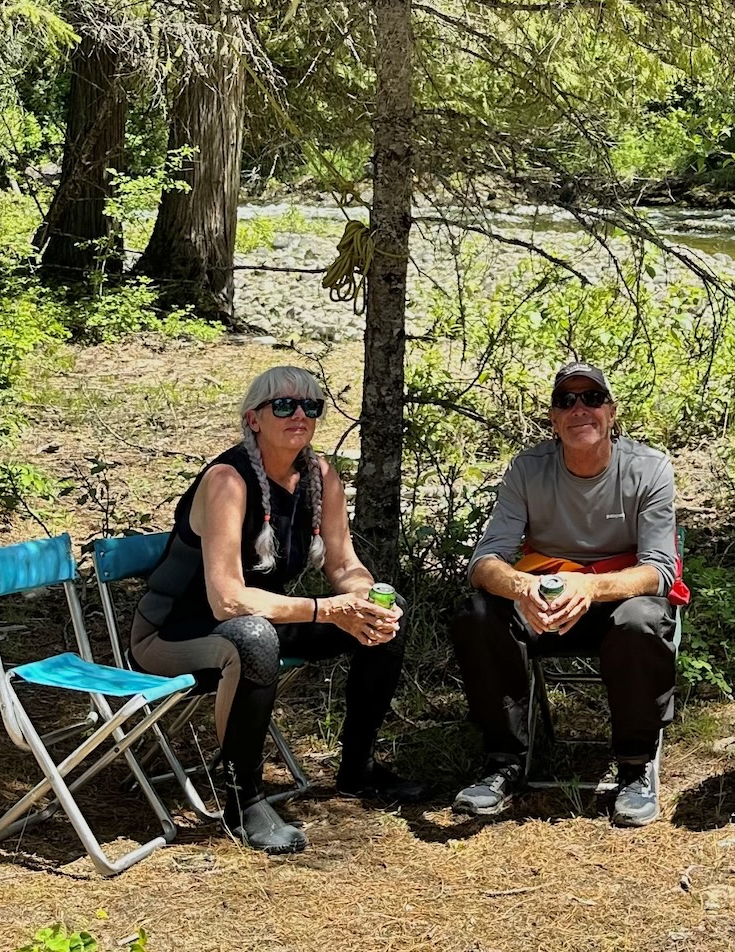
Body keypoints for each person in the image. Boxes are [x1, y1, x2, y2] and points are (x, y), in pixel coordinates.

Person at [133, 366, 426, 855]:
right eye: (284, 406)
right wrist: (327, 609)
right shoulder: (227, 481)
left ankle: (358, 769)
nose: (300, 415)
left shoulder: (319, 477)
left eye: (311, 406)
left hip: (255, 621)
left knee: (385, 619)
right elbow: (226, 599)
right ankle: (243, 799)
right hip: (173, 636)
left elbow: (344, 563)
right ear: (253, 418)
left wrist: (364, 598)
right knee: (253, 639)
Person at [450, 362, 682, 827]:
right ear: (554, 420)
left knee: (641, 621)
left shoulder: (649, 468)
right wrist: (522, 587)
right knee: (476, 613)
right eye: (566, 401)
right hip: (543, 600)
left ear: (611, 413)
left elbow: (660, 569)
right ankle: (502, 762)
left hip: (616, 602)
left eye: (592, 399)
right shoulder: (527, 470)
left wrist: (591, 587)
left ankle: (635, 768)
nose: (580, 409)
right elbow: (484, 560)